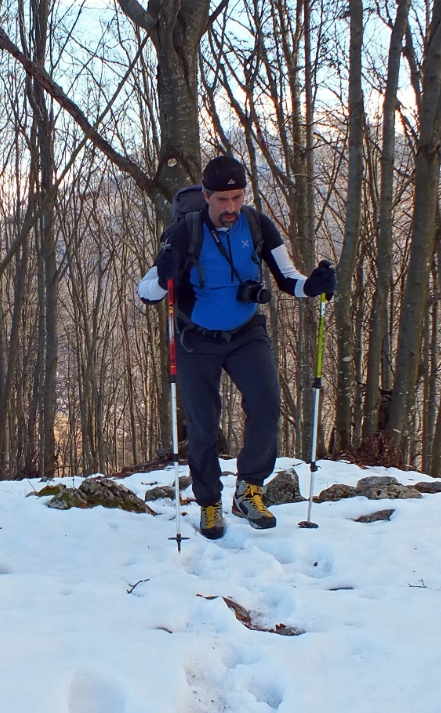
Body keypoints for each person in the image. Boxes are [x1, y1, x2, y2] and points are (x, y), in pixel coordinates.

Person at [137, 155, 335, 539]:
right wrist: (165, 278)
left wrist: (313, 286)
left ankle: (249, 490)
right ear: (207, 196)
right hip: (196, 338)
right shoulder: (183, 233)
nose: (231, 208)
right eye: (222, 200)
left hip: (247, 332)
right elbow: (146, 293)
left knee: (266, 407)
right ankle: (209, 503)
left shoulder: (258, 225)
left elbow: (287, 277)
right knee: (204, 426)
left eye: (237, 197)